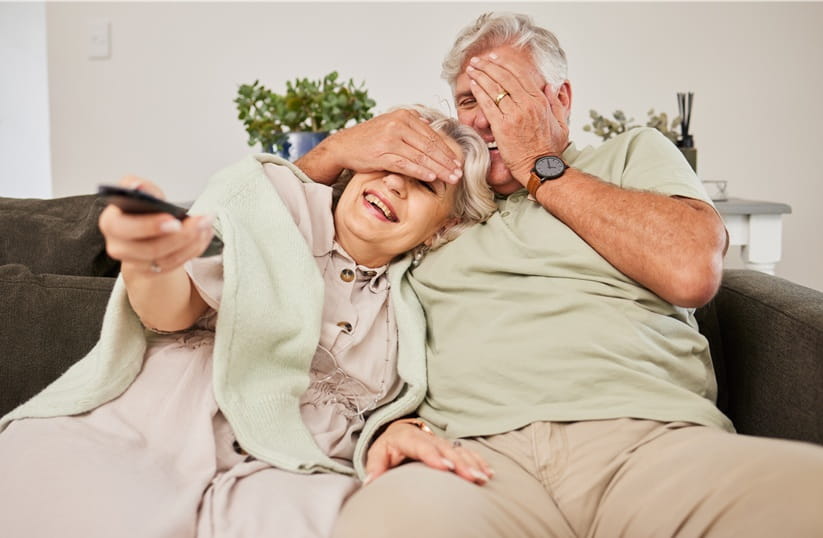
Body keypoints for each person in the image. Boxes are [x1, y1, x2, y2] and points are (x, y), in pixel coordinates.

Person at [295, 12, 823, 538]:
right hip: (472, 458)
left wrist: (543, 166)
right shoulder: (435, 208)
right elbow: (299, 254)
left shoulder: (630, 155)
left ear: (560, 99)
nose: (481, 120)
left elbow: (691, 271)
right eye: (468, 100)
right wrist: (390, 425)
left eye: (505, 95)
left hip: (647, 440)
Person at [0, 105, 497, 538]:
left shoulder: (419, 300)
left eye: (424, 183)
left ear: (446, 226)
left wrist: (399, 430)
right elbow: (173, 311)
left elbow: (396, 409)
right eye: (388, 164)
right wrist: (150, 260)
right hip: (157, 427)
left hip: (292, 470)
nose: (394, 183)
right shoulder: (280, 202)